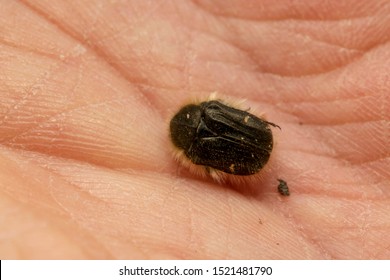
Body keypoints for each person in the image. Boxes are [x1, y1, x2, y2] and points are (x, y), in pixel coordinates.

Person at [0, 0, 389, 259]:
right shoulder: (209, 117)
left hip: (248, 158)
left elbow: (211, 165)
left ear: (185, 151)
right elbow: (228, 124)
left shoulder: (195, 151)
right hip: (251, 154)